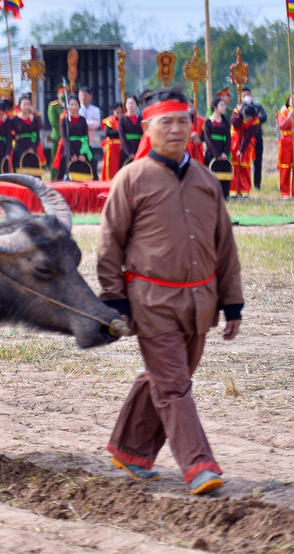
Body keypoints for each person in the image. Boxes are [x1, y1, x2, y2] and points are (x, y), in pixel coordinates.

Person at [98, 85, 242, 497]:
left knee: (166, 379)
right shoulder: (132, 178)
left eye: (183, 121)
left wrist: (232, 304)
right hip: (150, 301)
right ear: (148, 127)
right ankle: (199, 465)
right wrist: (115, 301)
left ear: (193, 126)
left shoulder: (205, 181)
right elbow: (109, 244)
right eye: (167, 122)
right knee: (175, 384)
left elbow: (224, 246)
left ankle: (129, 450)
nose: (177, 129)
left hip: (200, 303)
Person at [202, 97, 232, 199]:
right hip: (212, 153)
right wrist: (216, 154)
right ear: (215, 107)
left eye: (225, 105)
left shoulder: (226, 123)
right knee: (211, 175)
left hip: (224, 153)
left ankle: (224, 196)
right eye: (222, 105)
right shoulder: (208, 122)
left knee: (224, 175)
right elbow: (207, 139)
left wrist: (225, 153)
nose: (224, 107)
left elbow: (228, 138)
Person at [56, 95, 91, 180]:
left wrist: (82, 153)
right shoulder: (64, 120)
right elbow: (64, 137)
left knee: (90, 164)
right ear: (68, 106)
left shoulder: (82, 120)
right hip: (69, 148)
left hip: (82, 148)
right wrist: (72, 154)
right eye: (71, 105)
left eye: (76, 105)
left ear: (79, 106)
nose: (74, 107)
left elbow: (85, 137)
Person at [229, 104, 260, 198]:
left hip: (246, 144)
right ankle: (233, 190)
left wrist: (241, 150)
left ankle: (244, 190)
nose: (247, 118)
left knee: (245, 168)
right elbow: (235, 124)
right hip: (234, 141)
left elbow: (248, 135)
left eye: (249, 117)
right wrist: (239, 114)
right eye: (246, 116)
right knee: (234, 167)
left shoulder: (255, 121)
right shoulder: (236, 113)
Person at [240, 87, 267, 190]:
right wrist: (255, 119)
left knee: (258, 162)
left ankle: (257, 185)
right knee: (243, 163)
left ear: (252, 96)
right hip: (244, 140)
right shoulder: (240, 108)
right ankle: (243, 184)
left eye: (248, 95)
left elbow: (264, 117)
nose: (246, 97)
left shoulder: (258, 107)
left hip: (257, 138)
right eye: (244, 95)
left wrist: (253, 118)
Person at [11, 95, 44, 172]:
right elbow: (7, 132)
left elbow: (38, 136)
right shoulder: (15, 119)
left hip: (31, 148)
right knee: (19, 168)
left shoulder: (35, 119)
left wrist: (33, 147)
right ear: (20, 106)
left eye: (28, 104)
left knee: (33, 170)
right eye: (24, 104)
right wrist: (14, 136)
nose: (26, 107)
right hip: (19, 147)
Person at [100, 103, 123, 181]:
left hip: (122, 146)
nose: (119, 114)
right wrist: (120, 132)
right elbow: (108, 133)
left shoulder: (125, 120)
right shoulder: (109, 121)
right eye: (117, 112)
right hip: (112, 146)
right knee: (111, 166)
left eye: (120, 112)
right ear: (113, 111)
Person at [119, 95, 143, 163]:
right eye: (128, 103)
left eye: (132, 103)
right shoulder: (122, 119)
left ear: (137, 105)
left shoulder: (141, 120)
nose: (130, 105)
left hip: (139, 147)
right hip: (126, 149)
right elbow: (122, 136)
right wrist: (129, 152)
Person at [278, 95, 294, 199]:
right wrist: (290, 116)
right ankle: (285, 193)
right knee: (285, 168)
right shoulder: (283, 112)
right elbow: (282, 125)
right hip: (286, 143)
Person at [46, 85, 66, 167]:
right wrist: (64, 132)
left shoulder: (70, 105)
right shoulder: (53, 106)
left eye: (66, 93)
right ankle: (54, 178)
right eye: (62, 93)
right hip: (58, 137)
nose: (64, 95)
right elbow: (54, 123)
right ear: (58, 94)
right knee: (55, 160)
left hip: (69, 138)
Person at [78, 86, 102, 152]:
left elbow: (97, 124)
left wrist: (83, 123)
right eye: (81, 95)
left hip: (91, 140)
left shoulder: (95, 110)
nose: (83, 97)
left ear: (90, 96)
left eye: (85, 95)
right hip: (78, 140)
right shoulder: (76, 110)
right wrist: (90, 122)